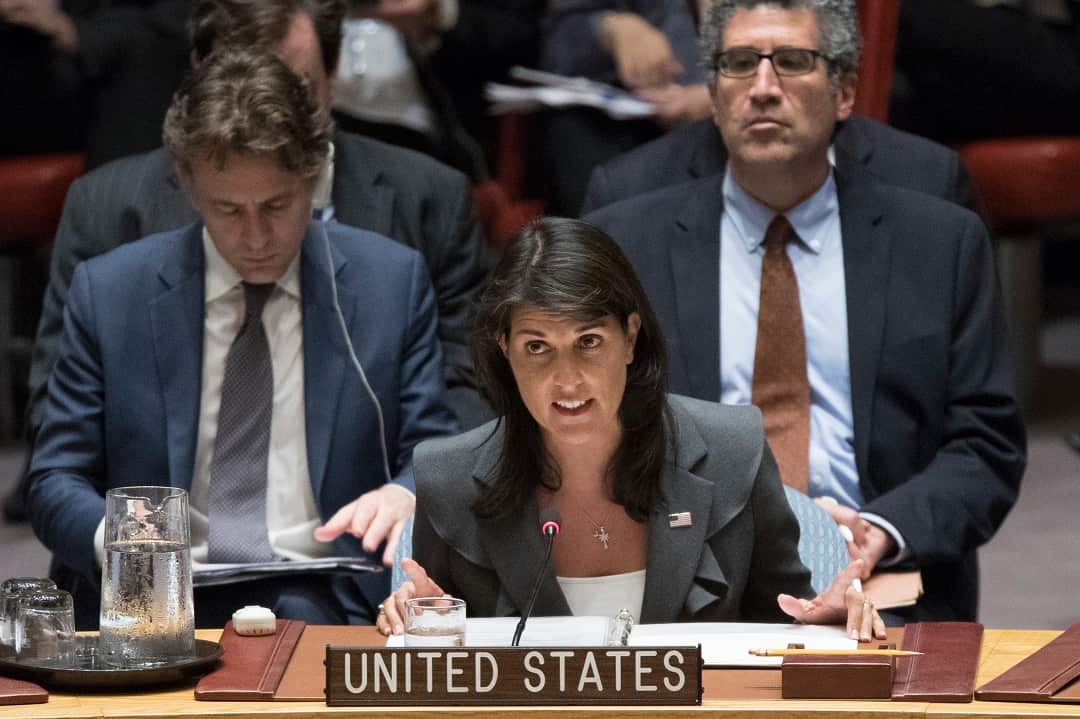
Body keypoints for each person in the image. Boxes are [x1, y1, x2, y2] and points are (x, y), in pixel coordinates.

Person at [585, 0, 1026, 622]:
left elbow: (986, 443)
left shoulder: (938, 241)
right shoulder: (628, 239)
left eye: (793, 63)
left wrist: (882, 530)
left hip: (880, 580)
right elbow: (581, 429)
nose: (763, 88)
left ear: (845, 92)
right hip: (680, 589)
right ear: (713, 95)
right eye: (739, 65)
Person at [27, 49, 458, 629]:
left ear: (314, 178)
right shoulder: (111, 292)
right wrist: (126, 543)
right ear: (187, 185)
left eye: (277, 206)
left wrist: (407, 493)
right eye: (228, 209)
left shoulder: (389, 282)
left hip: (325, 588)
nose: (256, 236)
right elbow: (55, 479)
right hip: (156, 598)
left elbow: (434, 455)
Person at [378, 217, 886, 641]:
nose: (567, 378)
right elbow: (440, 679)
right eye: (537, 347)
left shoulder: (735, 450)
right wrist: (416, 622)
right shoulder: (446, 477)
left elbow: (781, 625)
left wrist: (827, 627)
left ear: (630, 338)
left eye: (589, 341)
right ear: (504, 350)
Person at [24, 0, 493, 444]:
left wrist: (405, 504)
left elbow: (467, 397)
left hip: (369, 504)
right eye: (238, 92)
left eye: (296, 91)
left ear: (333, 76)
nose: (270, 124)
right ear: (197, 76)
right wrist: (155, 526)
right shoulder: (108, 209)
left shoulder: (430, 199)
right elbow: (62, 423)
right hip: (171, 508)